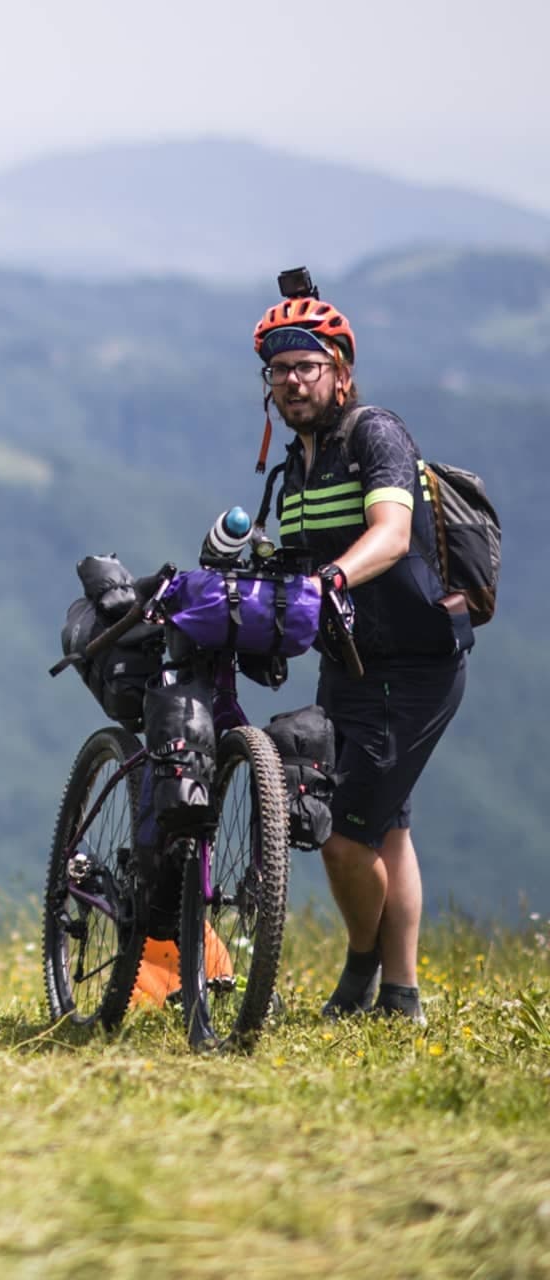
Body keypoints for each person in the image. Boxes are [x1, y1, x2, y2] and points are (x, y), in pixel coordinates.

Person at [254, 285, 472, 1024]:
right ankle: (401, 999)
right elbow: (295, 561)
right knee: (389, 831)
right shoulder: (298, 465)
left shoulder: (374, 435)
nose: (290, 380)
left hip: (411, 664)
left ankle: (359, 973)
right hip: (347, 663)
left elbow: (391, 533)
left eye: (305, 367)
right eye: (277, 370)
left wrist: (331, 578)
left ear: (339, 371)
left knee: (345, 841)